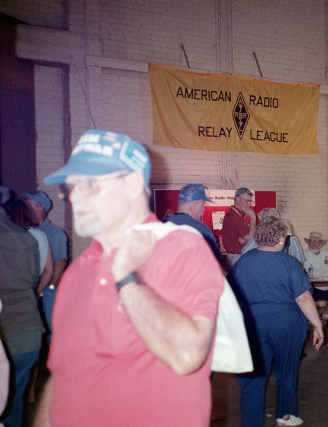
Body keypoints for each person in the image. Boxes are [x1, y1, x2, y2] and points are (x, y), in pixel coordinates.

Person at [35, 129, 224, 427]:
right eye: (72, 188)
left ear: (135, 183)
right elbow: (61, 376)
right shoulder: (76, 273)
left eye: (91, 184)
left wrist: (125, 277)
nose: (76, 198)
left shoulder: (182, 249)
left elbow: (187, 354)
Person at [230, 217, 323, 427]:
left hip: (253, 326)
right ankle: (286, 417)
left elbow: (230, 295)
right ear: (281, 238)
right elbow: (303, 298)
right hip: (287, 326)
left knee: (253, 379)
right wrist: (317, 325)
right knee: (286, 374)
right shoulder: (289, 263)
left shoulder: (244, 261)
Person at [0, 187, 45, 427]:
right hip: (28, 327)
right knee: (14, 401)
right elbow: (34, 277)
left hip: (6, 330)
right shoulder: (26, 237)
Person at [21, 190, 68, 337]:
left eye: (28, 205)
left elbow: (60, 263)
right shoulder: (27, 231)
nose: (25, 209)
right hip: (33, 288)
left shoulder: (55, 233)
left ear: (40, 207)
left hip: (49, 290)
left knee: (51, 328)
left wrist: (49, 288)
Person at [166, 183, 224, 265]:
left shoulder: (163, 226)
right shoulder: (202, 230)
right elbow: (215, 264)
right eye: (203, 205)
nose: (203, 211)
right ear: (196, 204)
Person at [303, 231, 328, 323]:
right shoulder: (304, 255)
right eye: (312, 241)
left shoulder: (327, 254)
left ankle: (327, 321)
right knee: (318, 310)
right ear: (309, 242)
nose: (314, 243)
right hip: (313, 289)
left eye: (316, 241)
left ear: (320, 243)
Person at [222, 187, 256, 266]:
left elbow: (246, 239)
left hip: (238, 256)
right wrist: (253, 218)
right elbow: (250, 239)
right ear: (237, 199)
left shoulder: (239, 215)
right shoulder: (233, 216)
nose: (249, 204)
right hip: (237, 257)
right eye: (246, 201)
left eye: (250, 201)